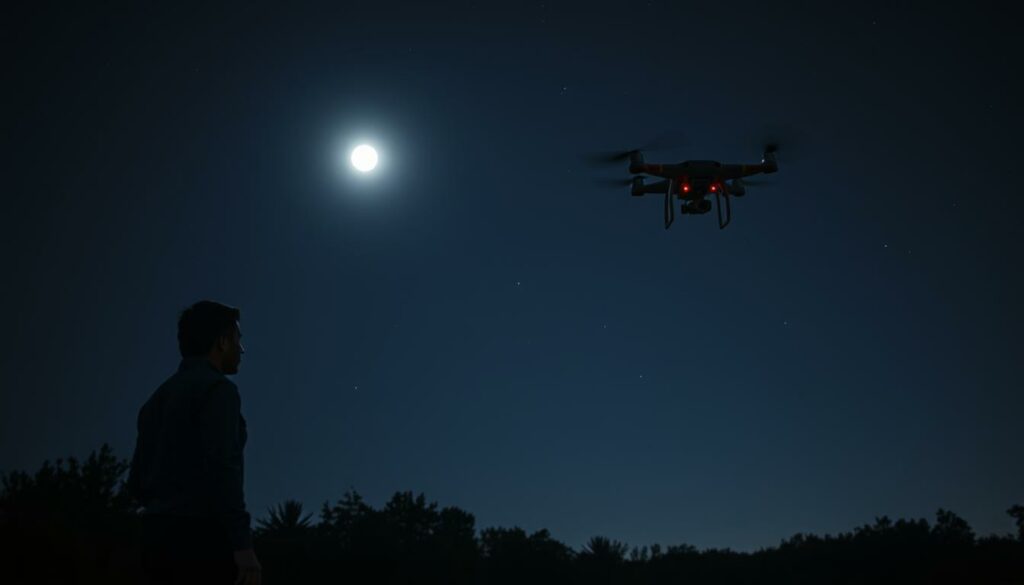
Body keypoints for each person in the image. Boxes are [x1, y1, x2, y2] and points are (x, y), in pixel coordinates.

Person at [127, 301, 262, 585]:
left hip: (155, 540)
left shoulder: (156, 400)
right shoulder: (218, 391)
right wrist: (242, 544)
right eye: (238, 340)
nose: (242, 349)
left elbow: (136, 481)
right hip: (201, 541)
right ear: (222, 342)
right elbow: (223, 468)